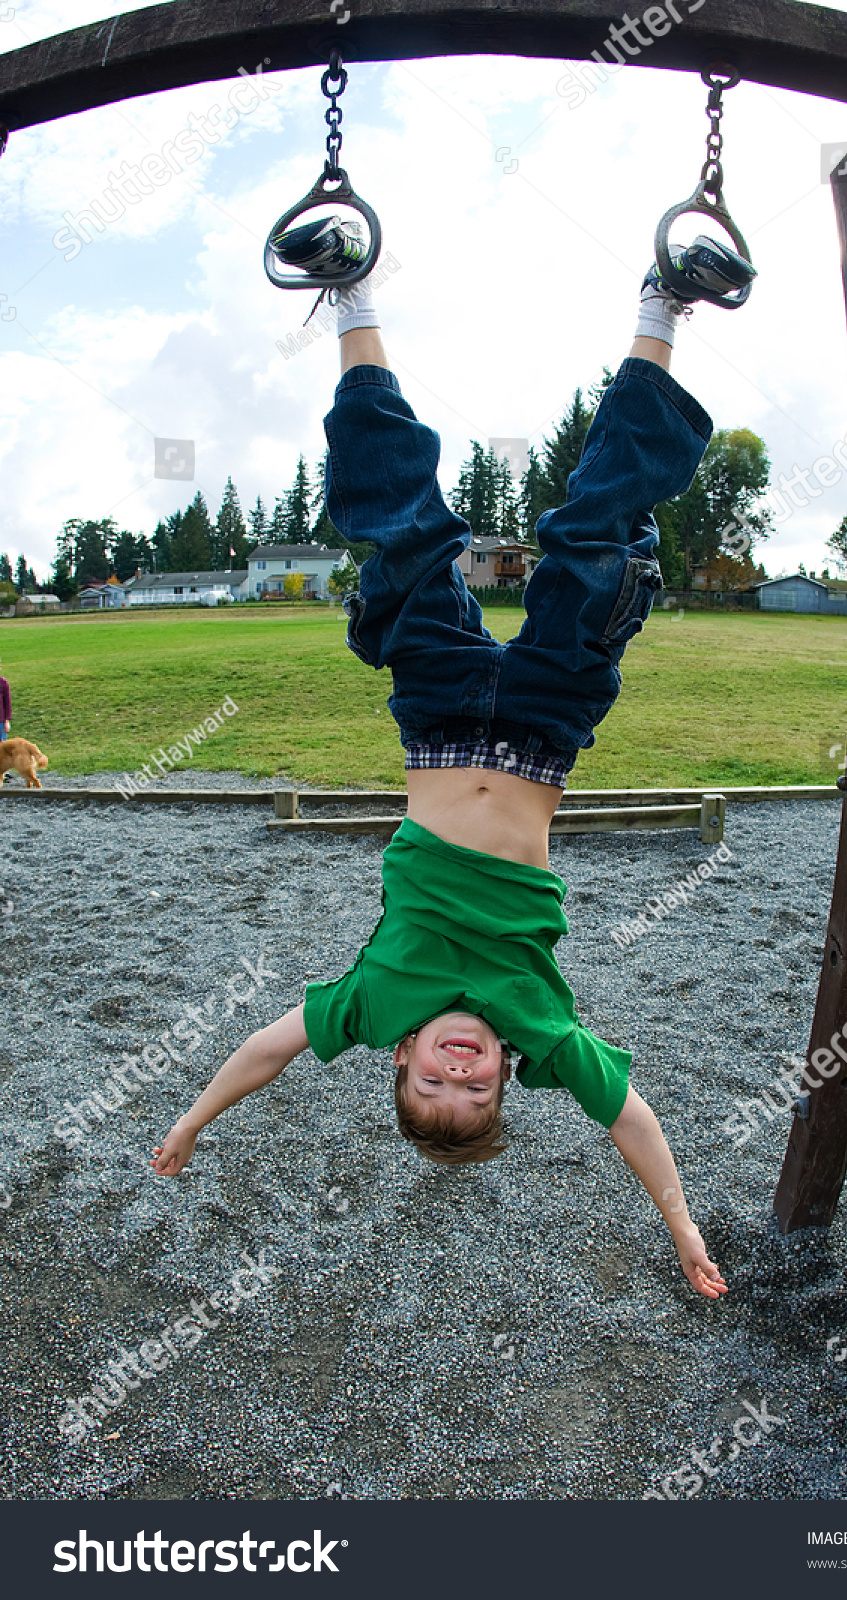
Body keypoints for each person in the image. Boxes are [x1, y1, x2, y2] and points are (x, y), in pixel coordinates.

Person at [152, 230, 756, 1300]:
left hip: (433, 717)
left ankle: (348, 293)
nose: (459, 1069)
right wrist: (679, 1223)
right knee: (597, 538)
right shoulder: (540, 1025)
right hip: (542, 726)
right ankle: (663, 309)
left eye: (435, 1076)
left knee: (397, 533)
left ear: (399, 1055)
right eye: (473, 1090)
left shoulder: (373, 1003)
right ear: (503, 1079)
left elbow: (265, 1049)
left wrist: (192, 1120)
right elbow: (630, 1118)